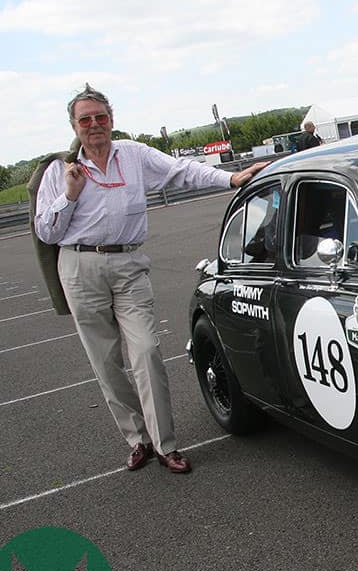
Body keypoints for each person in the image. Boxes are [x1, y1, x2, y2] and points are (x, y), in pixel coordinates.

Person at [34, 84, 269, 474]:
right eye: (86, 119)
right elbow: (47, 232)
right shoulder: (61, 172)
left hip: (128, 264)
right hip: (79, 268)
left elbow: (182, 171)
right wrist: (70, 195)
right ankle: (137, 439)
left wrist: (231, 179)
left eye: (101, 117)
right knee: (106, 363)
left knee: (145, 351)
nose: (95, 125)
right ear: (74, 126)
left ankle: (165, 445)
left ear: (112, 119)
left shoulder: (133, 154)